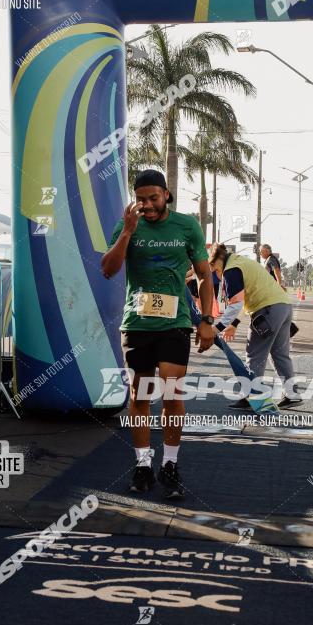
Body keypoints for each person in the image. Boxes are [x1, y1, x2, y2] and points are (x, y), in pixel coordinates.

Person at [101, 169, 215, 499]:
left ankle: (170, 464)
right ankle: (142, 464)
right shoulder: (126, 224)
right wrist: (127, 232)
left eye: (153, 198)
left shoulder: (187, 225)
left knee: (170, 393)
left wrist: (206, 319)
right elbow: (108, 270)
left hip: (174, 324)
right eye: (141, 199)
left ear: (167, 195)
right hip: (137, 324)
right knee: (139, 397)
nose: (147, 205)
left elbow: (206, 277)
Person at [208, 242, 302, 410]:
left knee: (255, 354)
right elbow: (246, 299)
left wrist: (216, 328)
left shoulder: (231, 270)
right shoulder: (242, 262)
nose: (215, 273)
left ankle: (252, 397)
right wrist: (234, 324)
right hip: (284, 307)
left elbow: (236, 304)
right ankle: (292, 395)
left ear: (218, 260)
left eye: (213, 268)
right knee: (280, 354)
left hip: (267, 311)